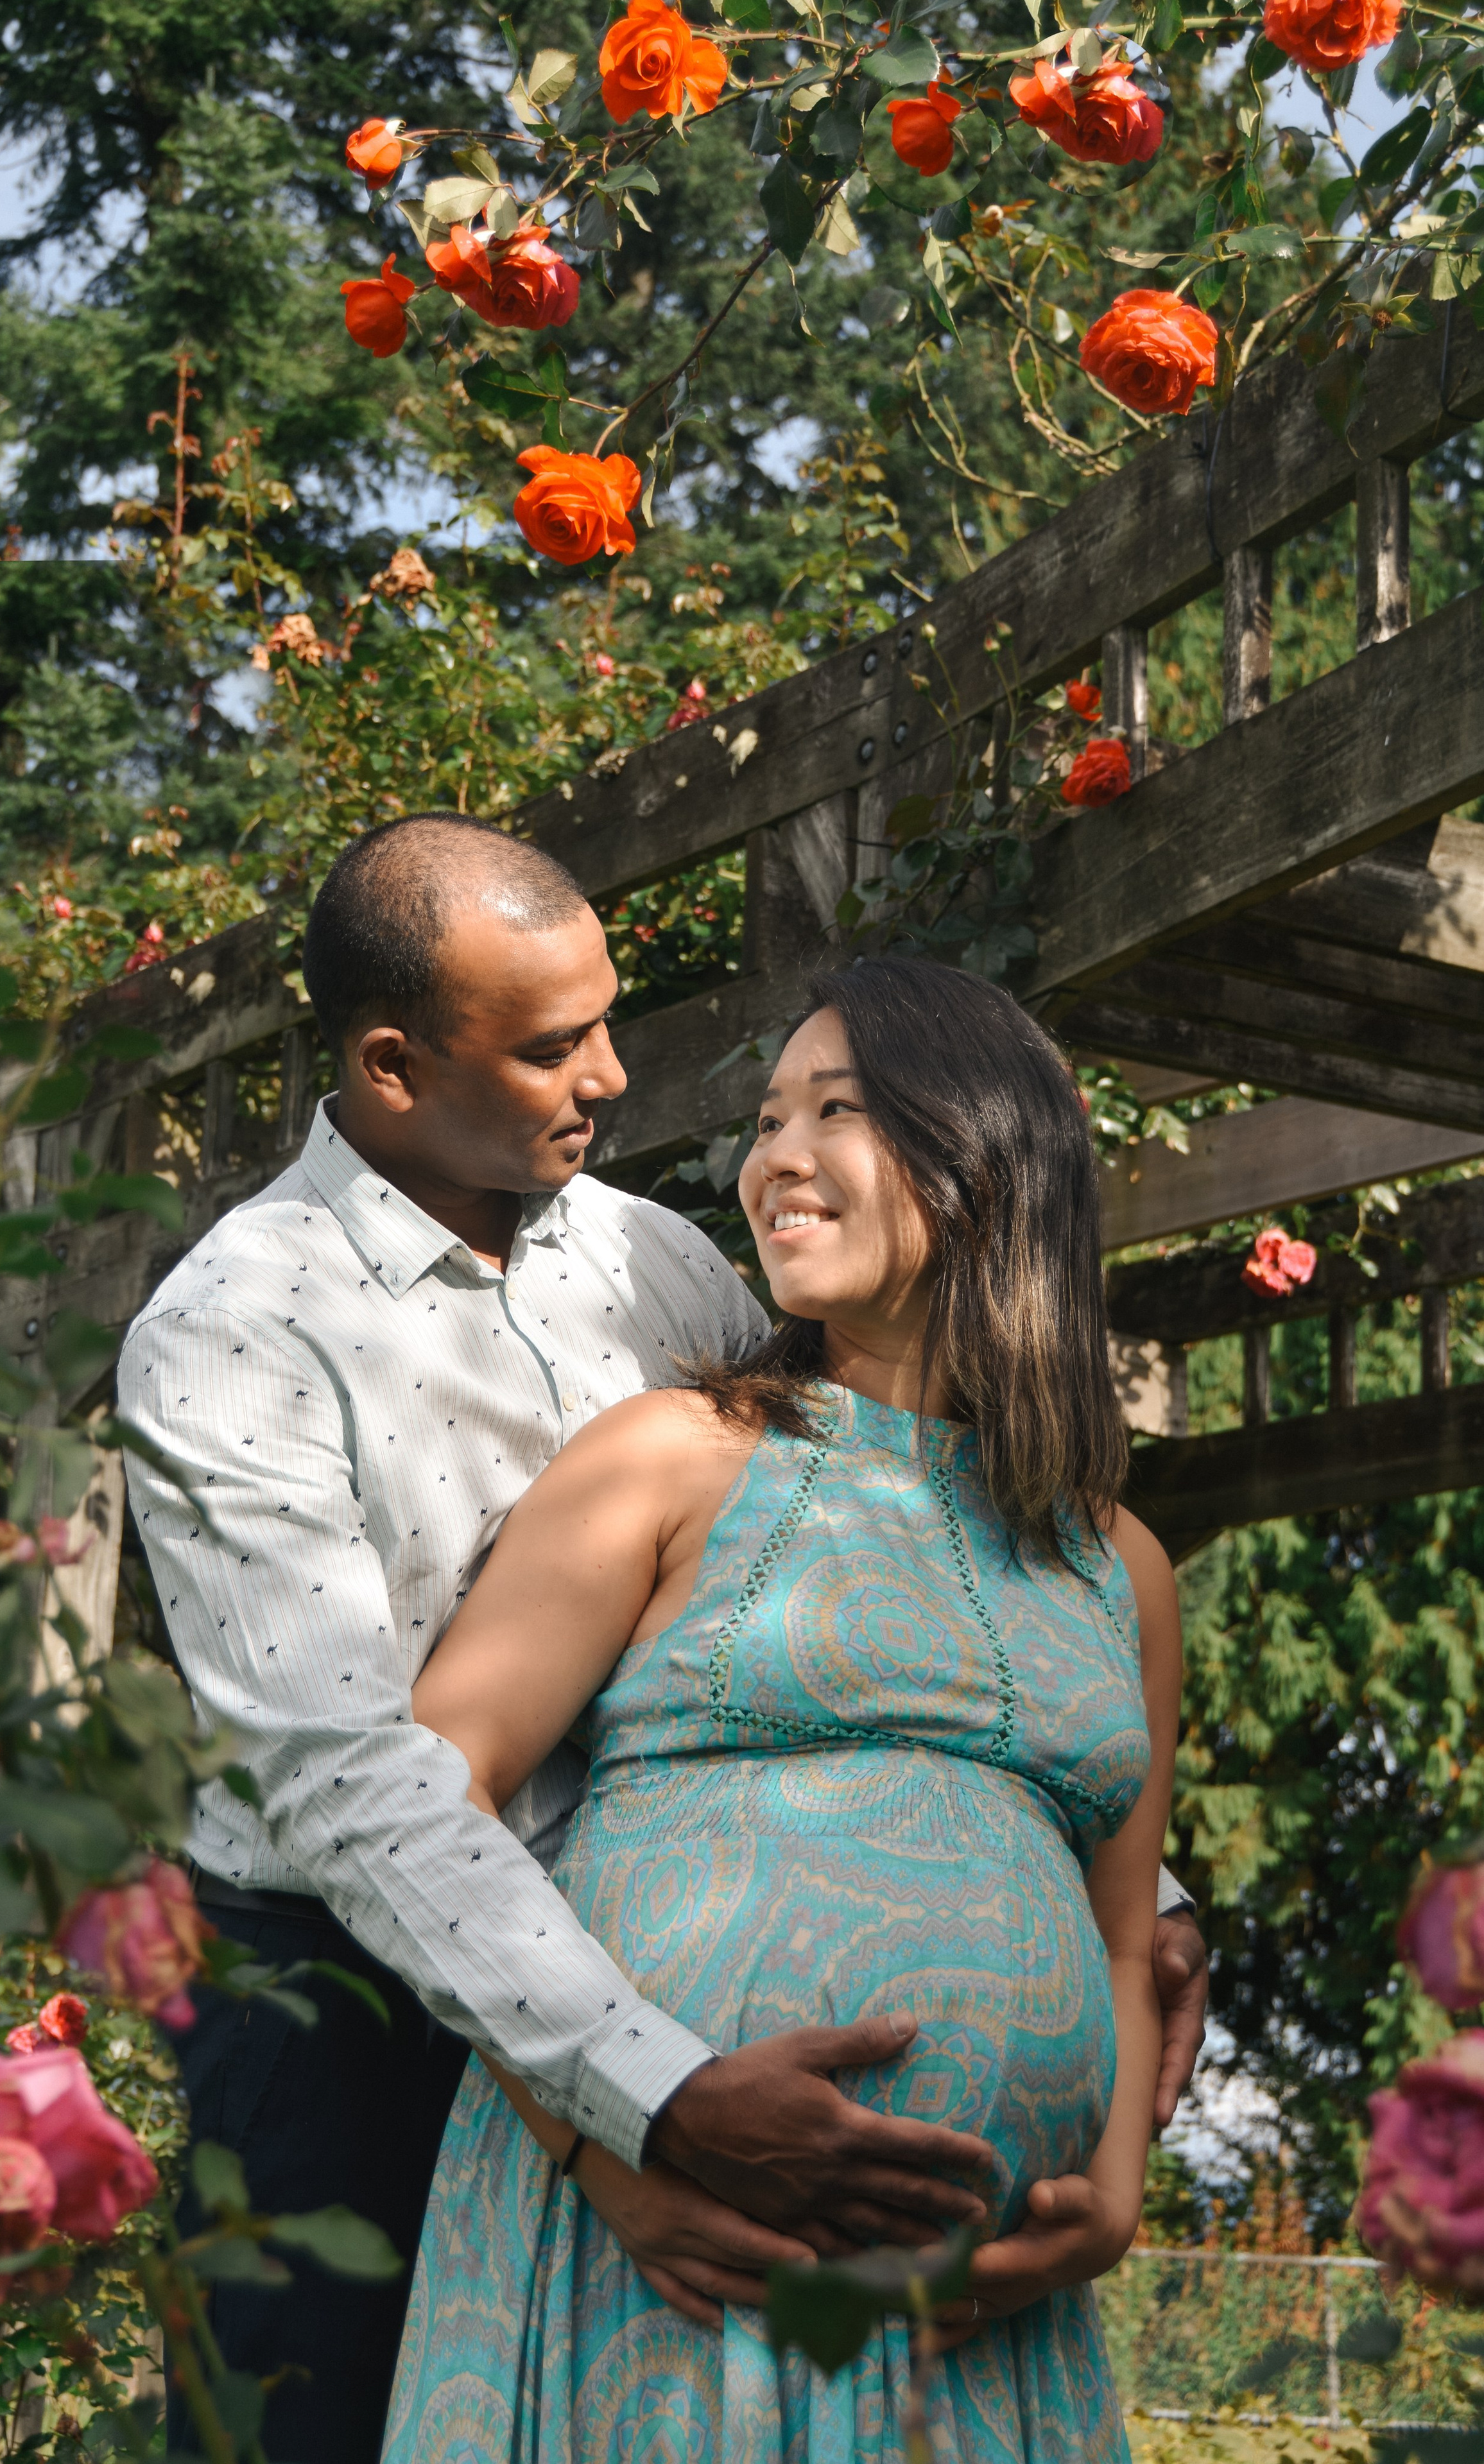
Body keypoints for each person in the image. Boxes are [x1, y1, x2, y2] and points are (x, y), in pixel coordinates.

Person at [118, 818, 1205, 2460]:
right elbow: (355, 1784)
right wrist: (644, 2119)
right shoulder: (230, 1332)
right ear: (396, 1068)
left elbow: (875, 1533)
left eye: (609, 1019)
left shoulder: (656, 1260)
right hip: (345, 2002)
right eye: (557, 1045)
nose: (618, 1075)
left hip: (657, 2008)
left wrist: (1109, 1879)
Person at [386, 954, 1181, 2462]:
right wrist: (601, 2134)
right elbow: (427, 1801)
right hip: (664, 2268)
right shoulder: (672, 1457)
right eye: (765, 1120)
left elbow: (1127, 1931)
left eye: (838, 1110)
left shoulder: (1122, 1565)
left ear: (985, 1154)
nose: (774, 1160)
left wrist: (1117, 2201)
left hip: (982, 2328)